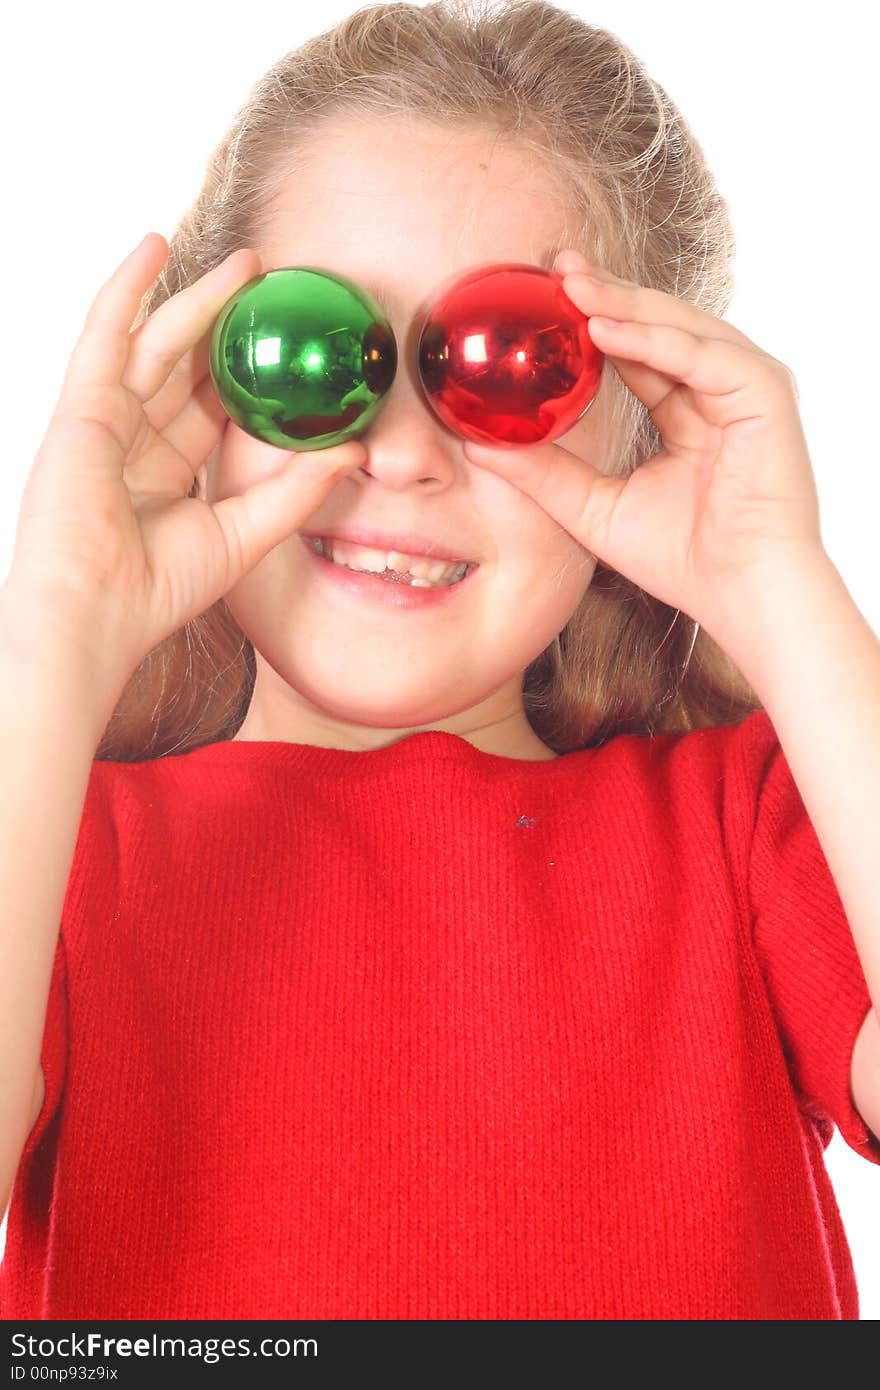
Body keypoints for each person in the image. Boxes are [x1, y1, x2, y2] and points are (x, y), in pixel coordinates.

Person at [0, 0, 878, 1322]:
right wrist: (57, 614)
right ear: (200, 398)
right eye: (314, 363)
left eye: (510, 368)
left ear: (644, 435)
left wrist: (778, 585)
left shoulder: (751, 824)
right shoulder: (59, 848)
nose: (399, 455)